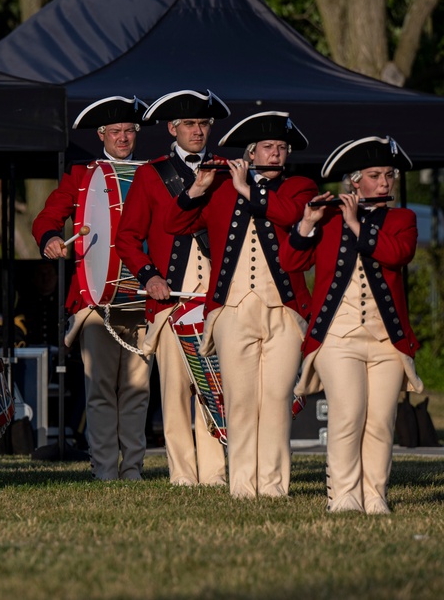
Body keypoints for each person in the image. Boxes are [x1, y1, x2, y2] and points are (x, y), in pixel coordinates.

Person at [163, 112, 315, 498]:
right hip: (230, 309)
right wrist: (197, 188)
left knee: (277, 399)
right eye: (269, 147)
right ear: (250, 152)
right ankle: (243, 485)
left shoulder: (299, 186)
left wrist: (248, 189)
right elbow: (173, 225)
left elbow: (292, 216)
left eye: (282, 148)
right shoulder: (220, 188)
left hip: (283, 309)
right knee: (240, 400)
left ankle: (274, 486)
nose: (277, 154)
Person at [281, 136, 422, 514]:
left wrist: (357, 226)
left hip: (386, 339)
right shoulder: (325, 218)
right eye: (376, 175)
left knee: (380, 421)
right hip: (337, 336)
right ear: (355, 180)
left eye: (389, 175)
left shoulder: (401, 219)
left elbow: (397, 254)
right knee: (348, 414)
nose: (385, 183)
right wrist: (308, 222)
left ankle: (375, 496)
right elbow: (292, 263)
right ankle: (342, 496)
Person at [32, 96, 152, 480]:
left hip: (143, 296)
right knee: (100, 388)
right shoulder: (82, 174)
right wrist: (51, 237)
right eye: (115, 131)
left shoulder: (152, 173)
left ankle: (132, 469)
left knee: (137, 388)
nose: (122, 137)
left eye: (129, 131)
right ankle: (104, 469)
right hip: (97, 299)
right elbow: (49, 216)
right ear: (101, 134)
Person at [117, 89, 229, 487]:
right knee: (176, 392)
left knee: (213, 388)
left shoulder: (228, 173)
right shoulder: (151, 174)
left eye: (203, 124)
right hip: (170, 301)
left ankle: (215, 473)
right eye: (189, 125)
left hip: (216, 299)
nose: (198, 131)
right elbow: (128, 238)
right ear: (172, 128)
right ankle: (183, 474)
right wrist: (149, 276)